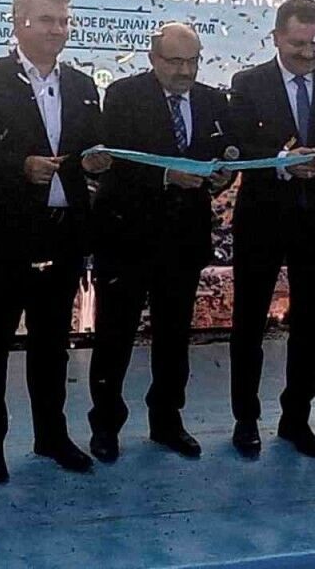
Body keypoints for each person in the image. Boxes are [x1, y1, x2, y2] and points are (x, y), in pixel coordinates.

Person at [0, 0, 110, 483]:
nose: (58, 30)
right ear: (19, 22)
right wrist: (18, 167)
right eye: (47, 20)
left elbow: (91, 148)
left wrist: (95, 161)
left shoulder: (83, 85)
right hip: (4, 236)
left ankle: (52, 436)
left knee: (52, 347)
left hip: (63, 235)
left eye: (64, 21)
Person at [226, 0, 315, 459]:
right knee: (249, 323)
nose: (308, 52)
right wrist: (282, 162)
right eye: (297, 43)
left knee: (310, 325)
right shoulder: (248, 83)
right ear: (275, 38)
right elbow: (239, 145)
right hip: (263, 220)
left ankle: (296, 419)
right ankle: (246, 419)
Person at [86, 23, 232, 462]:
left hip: (184, 239)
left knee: (174, 337)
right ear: (153, 59)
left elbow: (223, 153)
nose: (185, 71)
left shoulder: (212, 100)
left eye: (193, 61)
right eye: (175, 61)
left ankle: (167, 420)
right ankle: (106, 425)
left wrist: (223, 175)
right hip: (127, 235)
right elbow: (117, 160)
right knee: (115, 337)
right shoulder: (124, 96)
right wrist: (167, 176)